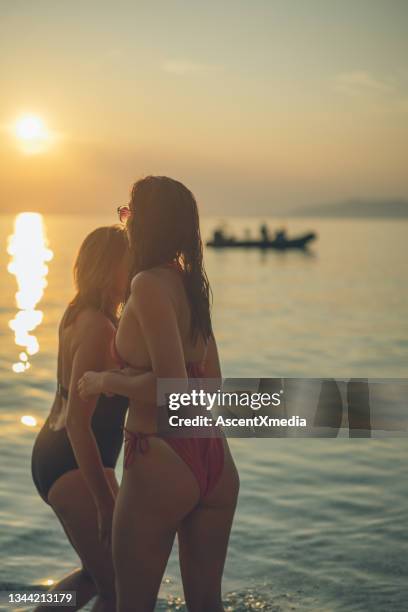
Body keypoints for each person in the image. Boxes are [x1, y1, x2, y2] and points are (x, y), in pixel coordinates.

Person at [78, 176, 240, 612]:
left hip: (161, 455)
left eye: (128, 214)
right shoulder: (189, 283)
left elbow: (172, 390)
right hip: (214, 455)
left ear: (146, 223)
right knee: (207, 604)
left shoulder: (147, 284)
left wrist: (105, 381)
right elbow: (211, 383)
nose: (125, 223)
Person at [31, 226, 129, 612]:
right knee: (117, 590)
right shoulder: (98, 327)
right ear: (110, 270)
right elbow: (78, 422)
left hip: (55, 457)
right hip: (74, 463)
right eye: (129, 264)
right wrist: (105, 504)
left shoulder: (76, 313)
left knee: (95, 576)